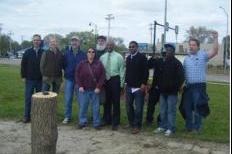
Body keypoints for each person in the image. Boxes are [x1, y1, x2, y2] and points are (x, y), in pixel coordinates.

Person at [182, 31, 219, 132]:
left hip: (199, 87)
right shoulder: (186, 58)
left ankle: (197, 128)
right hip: (188, 86)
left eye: (193, 45)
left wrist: (215, 38)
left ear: (198, 46)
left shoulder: (203, 55)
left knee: (198, 107)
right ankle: (189, 127)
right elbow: (183, 74)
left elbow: (215, 51)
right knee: (187, 108)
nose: (191, 46)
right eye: (190, 45)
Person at [153, 43, 184, 136]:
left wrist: (175, 87)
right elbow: (158, 76)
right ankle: (163, 126)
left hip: (172, 93)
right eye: (166, 50)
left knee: (171, 111)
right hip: (162, 92)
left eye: (169, 50)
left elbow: (181, 78)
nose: (167, 52)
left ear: (173, 52)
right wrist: (158, 85)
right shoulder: (162, 62)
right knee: (162, 110)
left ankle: (171, 128)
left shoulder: (177, 63)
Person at [75, 47, 105, 129]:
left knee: (96, 107)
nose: (91, 53)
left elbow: (102, 76)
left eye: (93, 52)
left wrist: (99, 87)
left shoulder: (99, 64)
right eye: (89, 52)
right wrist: (80, 86)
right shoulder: (82, 64)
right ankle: (82, 122)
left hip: (95, 90)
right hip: (84, 89)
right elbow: (77, 75)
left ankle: (96, 123)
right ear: (87, 53)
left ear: (95, 54)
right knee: (83, 107)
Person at [100, 39, 125, 130]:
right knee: (106, 102)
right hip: (106, 81)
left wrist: (122, 84)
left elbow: (122, 70)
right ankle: (107, 120)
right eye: (108, 45)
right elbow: (100, 70)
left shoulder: (119, 57)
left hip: (115, 80)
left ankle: (115, 122)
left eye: (111, 45)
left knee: (116, 102)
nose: (109, 46)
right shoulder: (102, 57)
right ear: (106, 46)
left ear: (113, 46)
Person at [125, 41, 149, 134]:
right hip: (129, 86)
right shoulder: (128, 58)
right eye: (130, 47)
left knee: (139, 108)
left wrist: (144, 83)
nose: (131, 48)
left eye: (133, 46)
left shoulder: (142, 57)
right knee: (128, 106)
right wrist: (125, 83)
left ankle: (137, 126)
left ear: (137, 47)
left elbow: (146, 72)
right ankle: (131, 123)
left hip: (139, 87)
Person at [62, 36, 86, 124]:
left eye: (76, 41)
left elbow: (85, 67)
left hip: (80, 81)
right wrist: (68, 72)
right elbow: (64, 65)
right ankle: (67, 116)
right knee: (68, 99)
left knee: (81, 100)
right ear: (71, 43)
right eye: (72, 41)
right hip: (69, 79)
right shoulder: (66, 54)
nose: (74, 43)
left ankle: (82, 118)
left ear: (79, 43)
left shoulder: (83, 54)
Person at [21, 34, 44, 123]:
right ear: (32, 41)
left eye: (38, 40)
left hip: (40, 80)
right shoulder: (27, 52)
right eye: (35, 40)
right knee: (28, 99)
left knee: (39, 100)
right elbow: (23, 65)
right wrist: (23, 76)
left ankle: (39, 117)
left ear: (40, 41)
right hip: (30, 79)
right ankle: (27, 116)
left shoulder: (43, 52)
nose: (36, 41)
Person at [145, 55, 161, 126]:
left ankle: (160, 120)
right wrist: (149, 86)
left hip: (162, 88)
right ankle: (149, 120)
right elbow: (150, 77)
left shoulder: (163, 63)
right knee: (151, 105)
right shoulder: (151, 68)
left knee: (163, 106)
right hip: (153, 88)